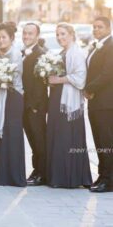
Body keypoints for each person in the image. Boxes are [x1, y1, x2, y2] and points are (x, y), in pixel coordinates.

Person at [46, 23, 91, 188]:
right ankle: (57, 176)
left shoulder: (77, 52)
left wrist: (58, 80)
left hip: (69, 102)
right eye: (58, 35)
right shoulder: (62, 52)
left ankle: (70, 178)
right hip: (58, 98)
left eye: (63, 34)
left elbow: (80, 78)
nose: (60, 38)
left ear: (72, 34)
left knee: (67, 136)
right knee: (58, 135)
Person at [0, 22, 26, 187]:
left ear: (11, 38)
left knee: (12, 134)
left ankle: (13, 175)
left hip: (13, 96)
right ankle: (1, 174)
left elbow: (12, 77)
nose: (0, 40)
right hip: (1, 95)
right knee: (1, 133)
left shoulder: (15, 54)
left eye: (4, 37)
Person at [84, 17, 113, 192]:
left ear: (109, 28)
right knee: (99, 141)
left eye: (100, 27)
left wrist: (89, 88)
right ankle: (102, 175)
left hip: (106, 103)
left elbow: (108, 73)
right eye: (94, 27)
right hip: (95, 102)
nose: (96, 29)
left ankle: (109, 181)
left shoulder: (110, 46)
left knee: (106, 142)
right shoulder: (96, 46)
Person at [22, 23, 48, 186]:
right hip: (25, 105)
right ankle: (36, 169)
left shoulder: (40, 54)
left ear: (37, 36)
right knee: (32, 139)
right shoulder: (23, 52)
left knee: (39, 140)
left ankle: (42, 173)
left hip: (35, 105)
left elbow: (40, 84)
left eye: (30, 34)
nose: (26, 36)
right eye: (25, 33)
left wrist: (35, 105)